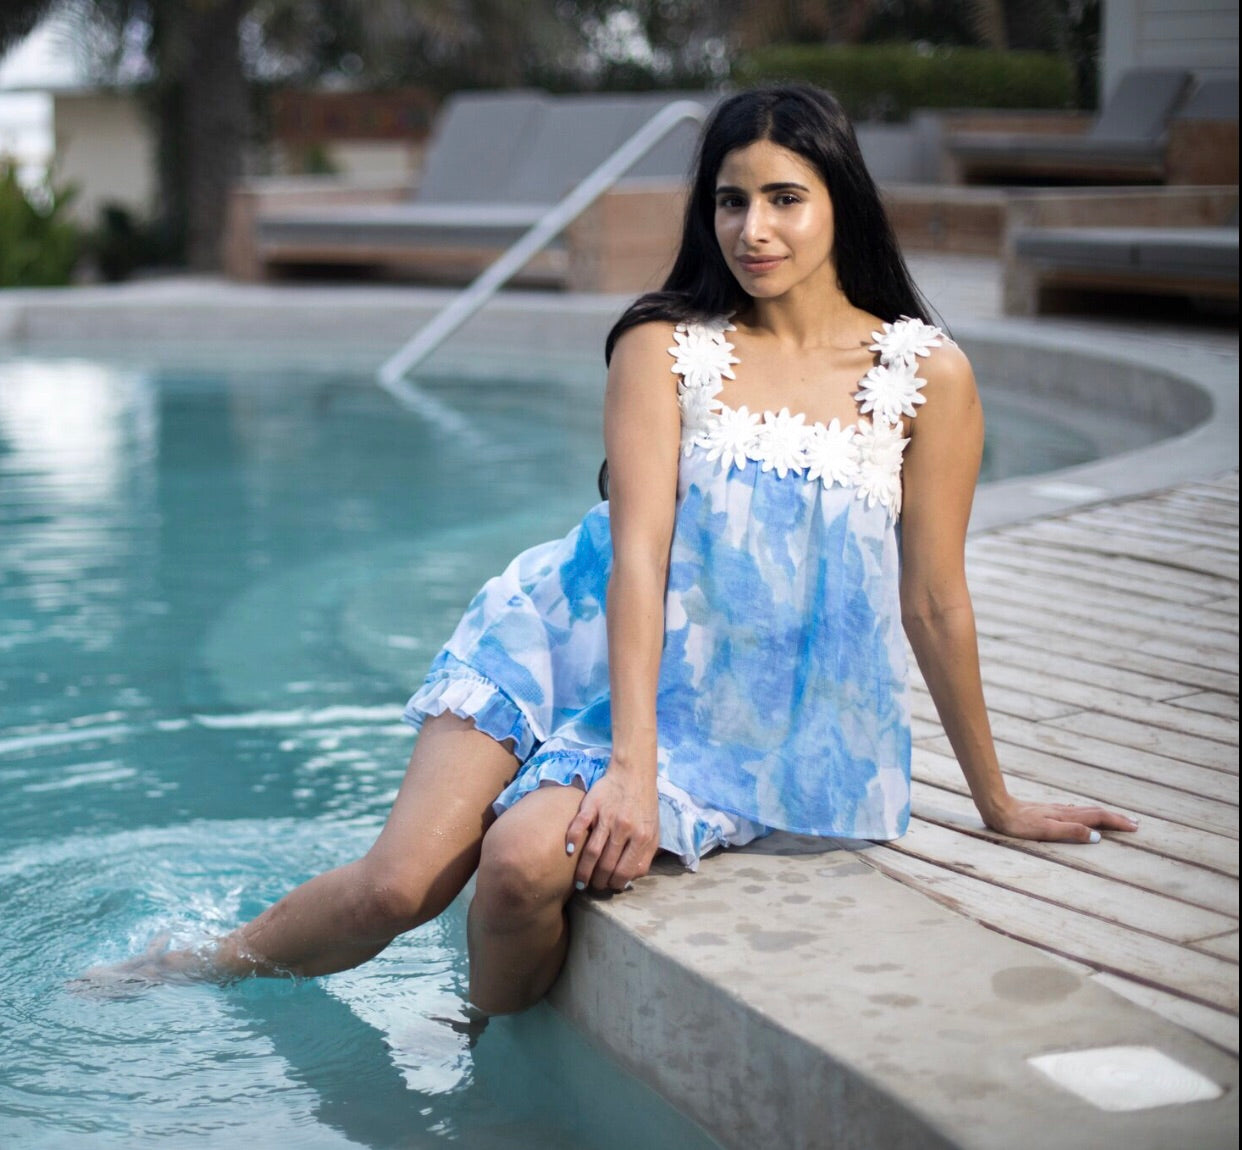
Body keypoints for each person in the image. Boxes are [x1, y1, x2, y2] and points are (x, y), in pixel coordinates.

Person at [92, 84, 1137, 1014]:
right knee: (399, 886)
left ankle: (480, 1070)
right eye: (731, 200)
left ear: (840, 202)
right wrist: (629, 770)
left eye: (784, 198)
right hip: (575, 635)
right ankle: (205, 964)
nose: (753, 229)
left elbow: (935, 601)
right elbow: (639, 554)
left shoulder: (925, 375)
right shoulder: (665, 344)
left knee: (514, 868)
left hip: (745, 709)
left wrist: (996, 799)